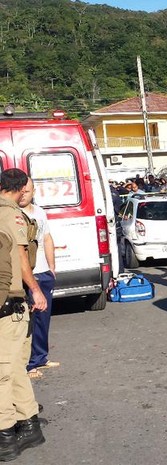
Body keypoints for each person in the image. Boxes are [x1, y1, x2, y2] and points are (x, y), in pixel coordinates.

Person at [0, 169, 46, 461]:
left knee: (4, 370)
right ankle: (27, 424)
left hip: (10, 303)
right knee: (12, 367)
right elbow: (20, 256)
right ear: (19, 189)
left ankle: (5, 432)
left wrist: (35, 290)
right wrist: (35, 290)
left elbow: (19, 258)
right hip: (12, 303)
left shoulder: (9, 214)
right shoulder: (10, 213)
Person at [19, 178, 59, 379]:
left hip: (44, 272)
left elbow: (47, 238)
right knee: (28, 321)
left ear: (34, 191)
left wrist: (52, 267)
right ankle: (28, 364)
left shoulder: (40, 212)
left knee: (43, 318)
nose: (24, 194)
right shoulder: (16, 215)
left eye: (28, 190)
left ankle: (41, 357)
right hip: (28, 274)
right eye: (21, 190)